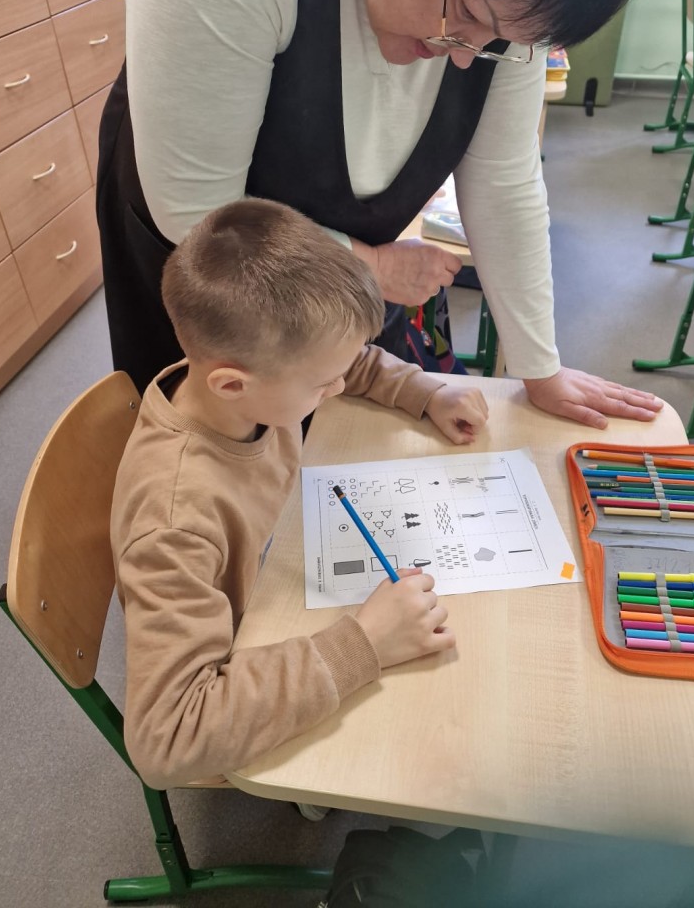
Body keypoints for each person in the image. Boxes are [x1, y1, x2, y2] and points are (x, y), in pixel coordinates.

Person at [96, 0, 664, 431]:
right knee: (214, 464)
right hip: (216, 299)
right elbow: (200, 212)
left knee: (344, 450)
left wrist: (540, 369)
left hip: (339, 305)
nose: (466, 58)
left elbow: (504, 180)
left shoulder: (501, 3)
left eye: (500, 41)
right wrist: (369, 266)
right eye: (468, 13)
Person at [111, 197, 489, 789]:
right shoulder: (175, 521)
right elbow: (168, 741)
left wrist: (423, 391)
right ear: (231, 384)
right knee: (442, 745)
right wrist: (364, 644)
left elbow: (343, 361)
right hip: (247, 674)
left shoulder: (250, 388)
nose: (338, 385)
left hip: (283, 581)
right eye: (321, 385)